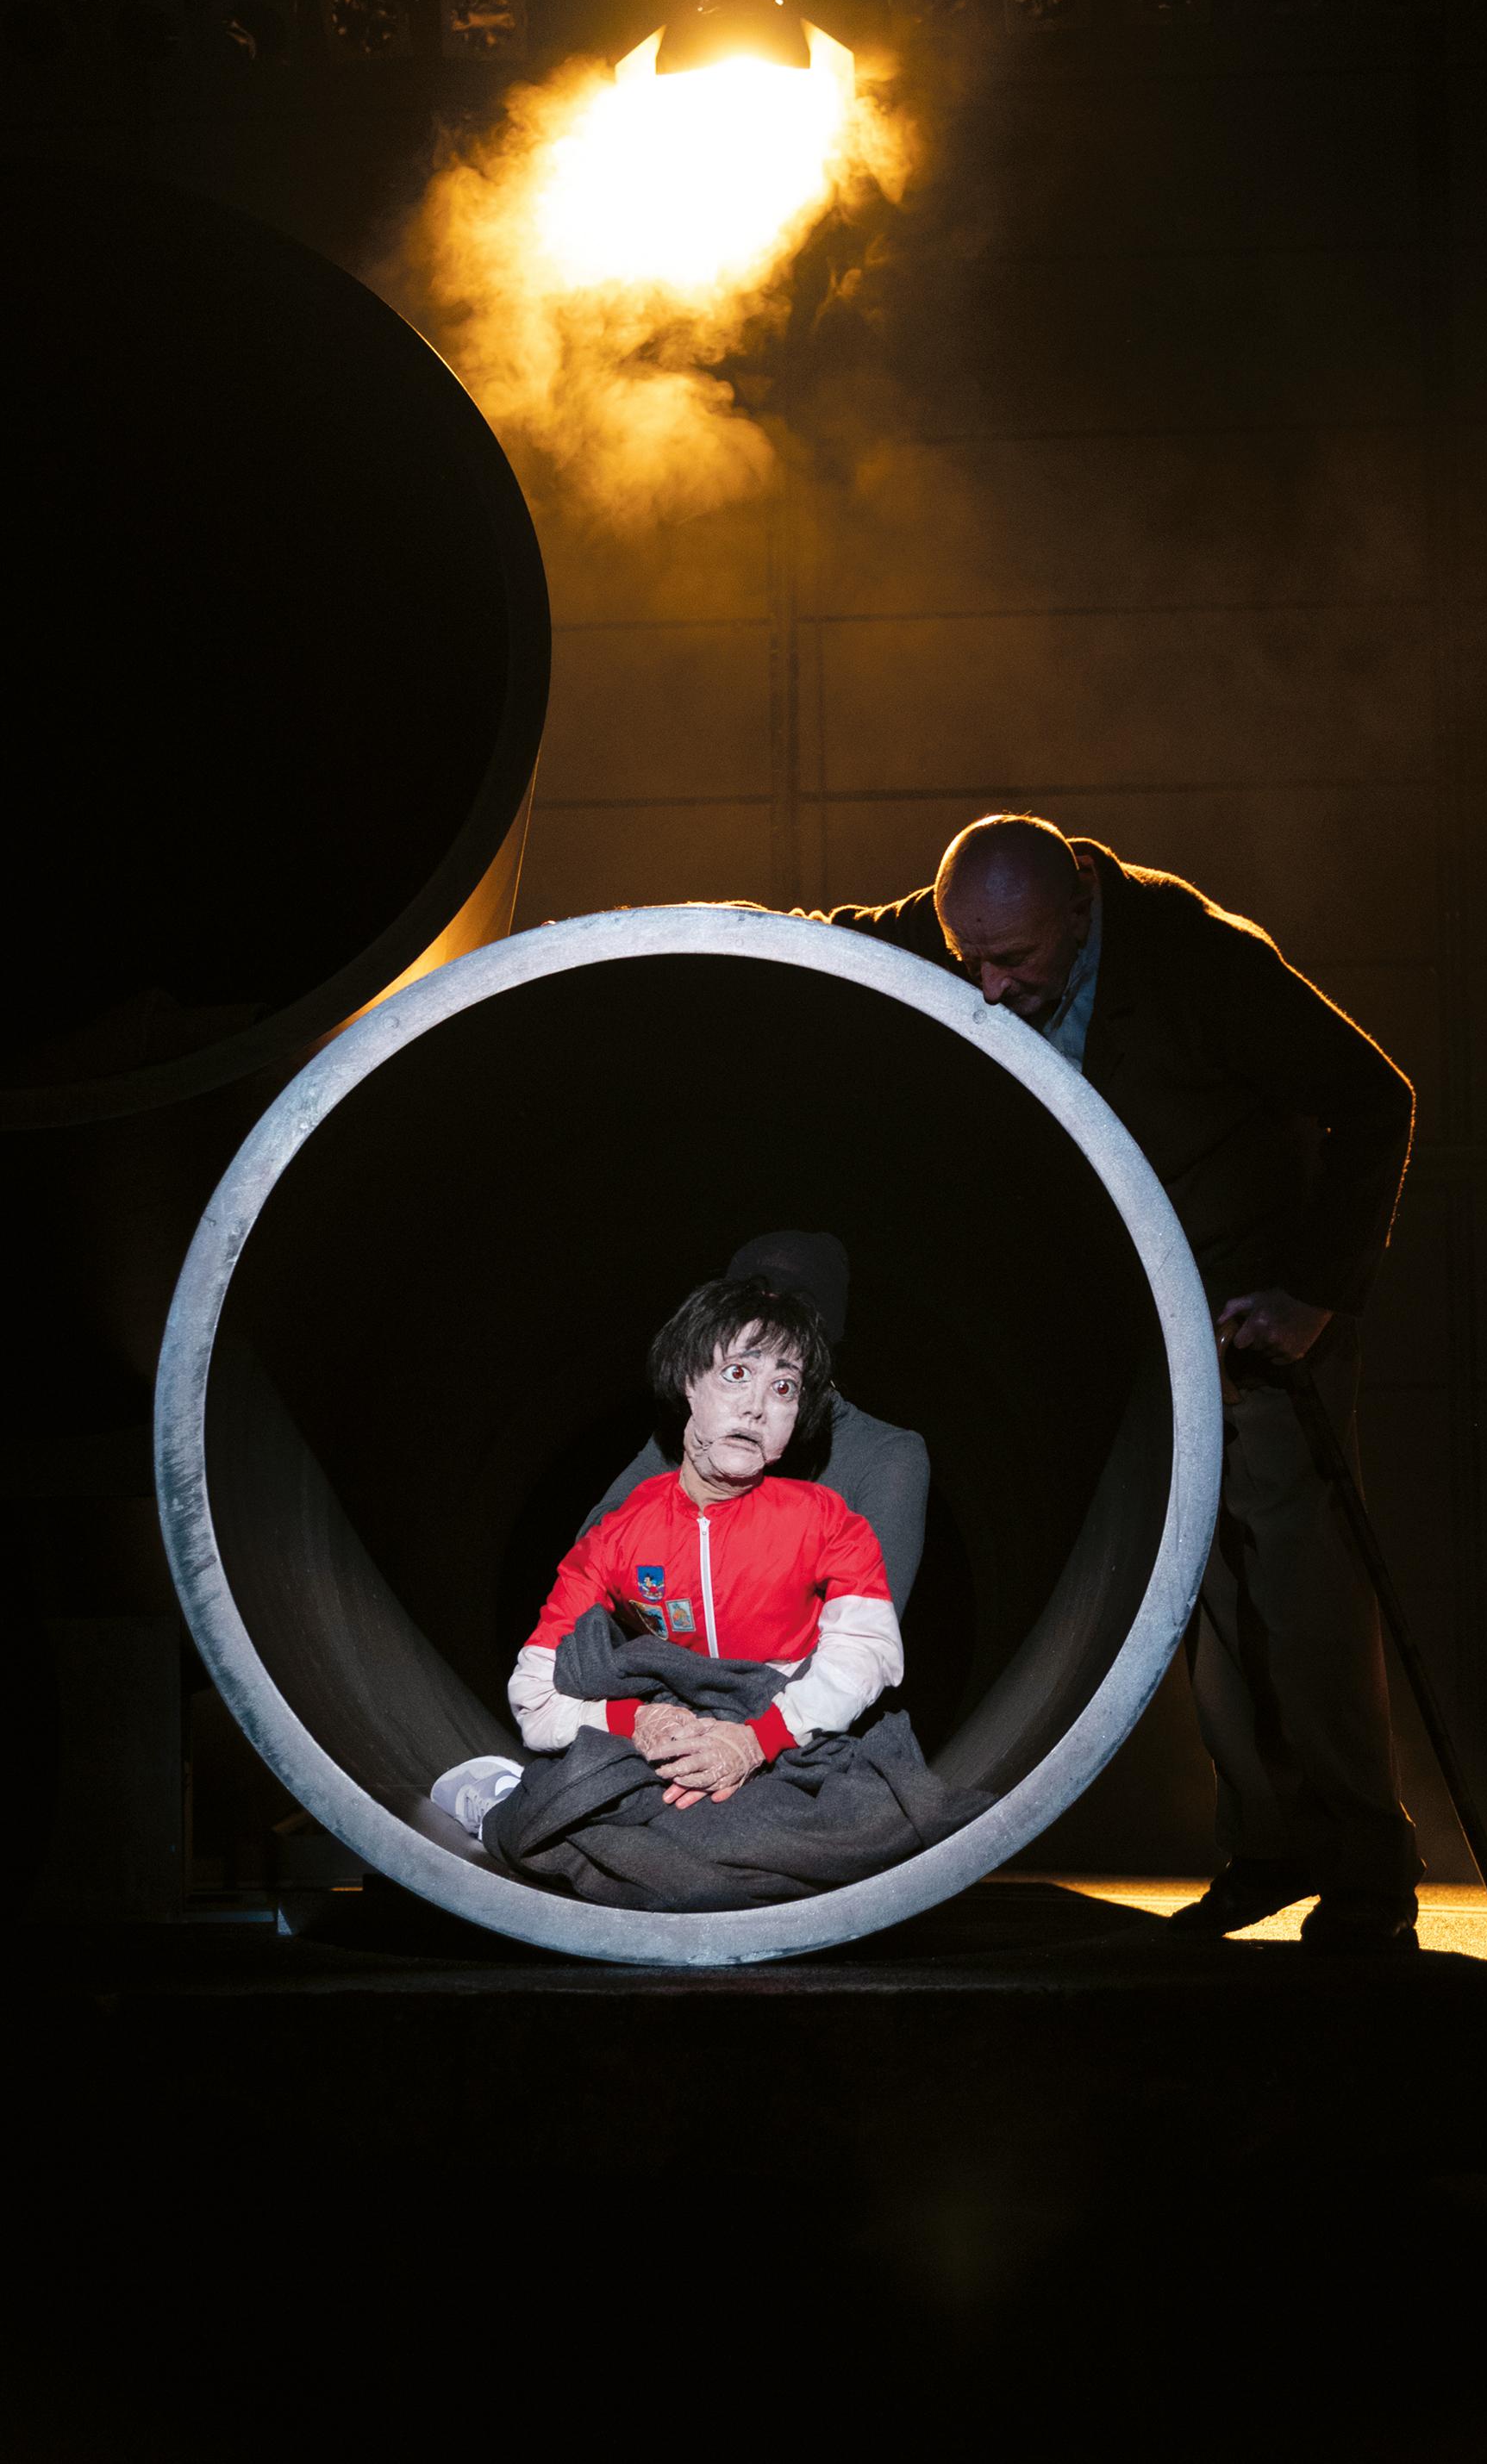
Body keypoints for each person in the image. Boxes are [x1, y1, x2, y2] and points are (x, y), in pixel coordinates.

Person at [808, 814, 1420, 1952]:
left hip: (1263, 1308)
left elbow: (1377, 1096)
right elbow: (830, 939)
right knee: (1202, 1591)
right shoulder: (975, 931)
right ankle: (1271, 1850)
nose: (988, 990)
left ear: (1081, 912)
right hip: (1156, 1315)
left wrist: (1310, 1296)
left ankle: (1369, 1865)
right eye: (968, 958)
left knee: (1301, 1584)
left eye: (1017, 964)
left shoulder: (1199, 960)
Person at [433, 1272, 904, 1835]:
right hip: (653, 1735)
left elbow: (868, 1648)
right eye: (736, 1374)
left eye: (784, 1388)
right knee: (623, 1824)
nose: (756, 1406)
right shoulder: (617, 1535)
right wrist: (635, 1720)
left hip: (788, 1734)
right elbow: (534, 1695)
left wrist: (758, 1739)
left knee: (847, 1830)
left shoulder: (828, 1520)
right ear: (689, 1382)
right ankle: (505, 1804)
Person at [584, 1230, 930, 1618]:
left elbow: (864, 1628)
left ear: (821, 1339)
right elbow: (595, 1548)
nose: (764, 1328)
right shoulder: (701, 1419)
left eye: (790, 1313)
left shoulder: (885, 1455)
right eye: (745, 1308)